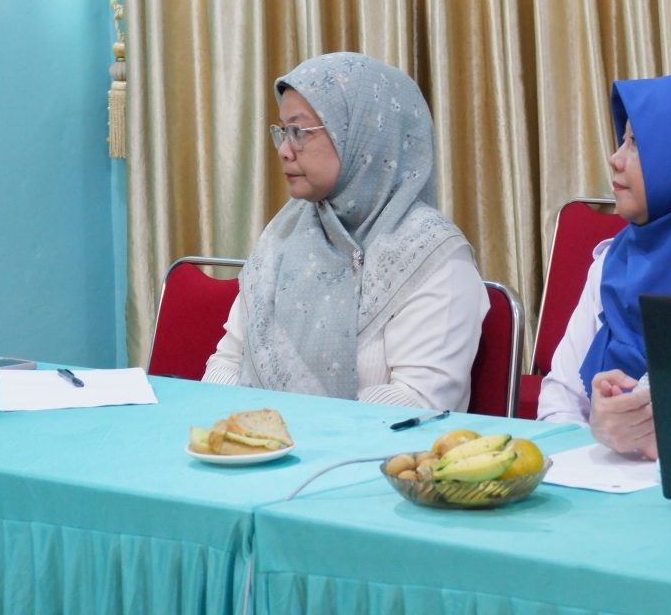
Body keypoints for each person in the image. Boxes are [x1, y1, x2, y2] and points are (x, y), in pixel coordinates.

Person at [203, 52, 487, 410]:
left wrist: (285, 428)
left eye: (299, 132)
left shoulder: (432, 256)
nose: (284, 151)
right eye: (282, 132)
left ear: (364, 135)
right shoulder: (285, 233)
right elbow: (230, 360)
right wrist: (232, 427)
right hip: (260, 440)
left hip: (373, 446)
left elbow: (419, 399)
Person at [538, 74, 671, 456]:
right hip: (606, 478)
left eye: (637, 144)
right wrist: (598, 433)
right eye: (622, 140)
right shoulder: (612, 262)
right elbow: (560, 397)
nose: (615, 158)